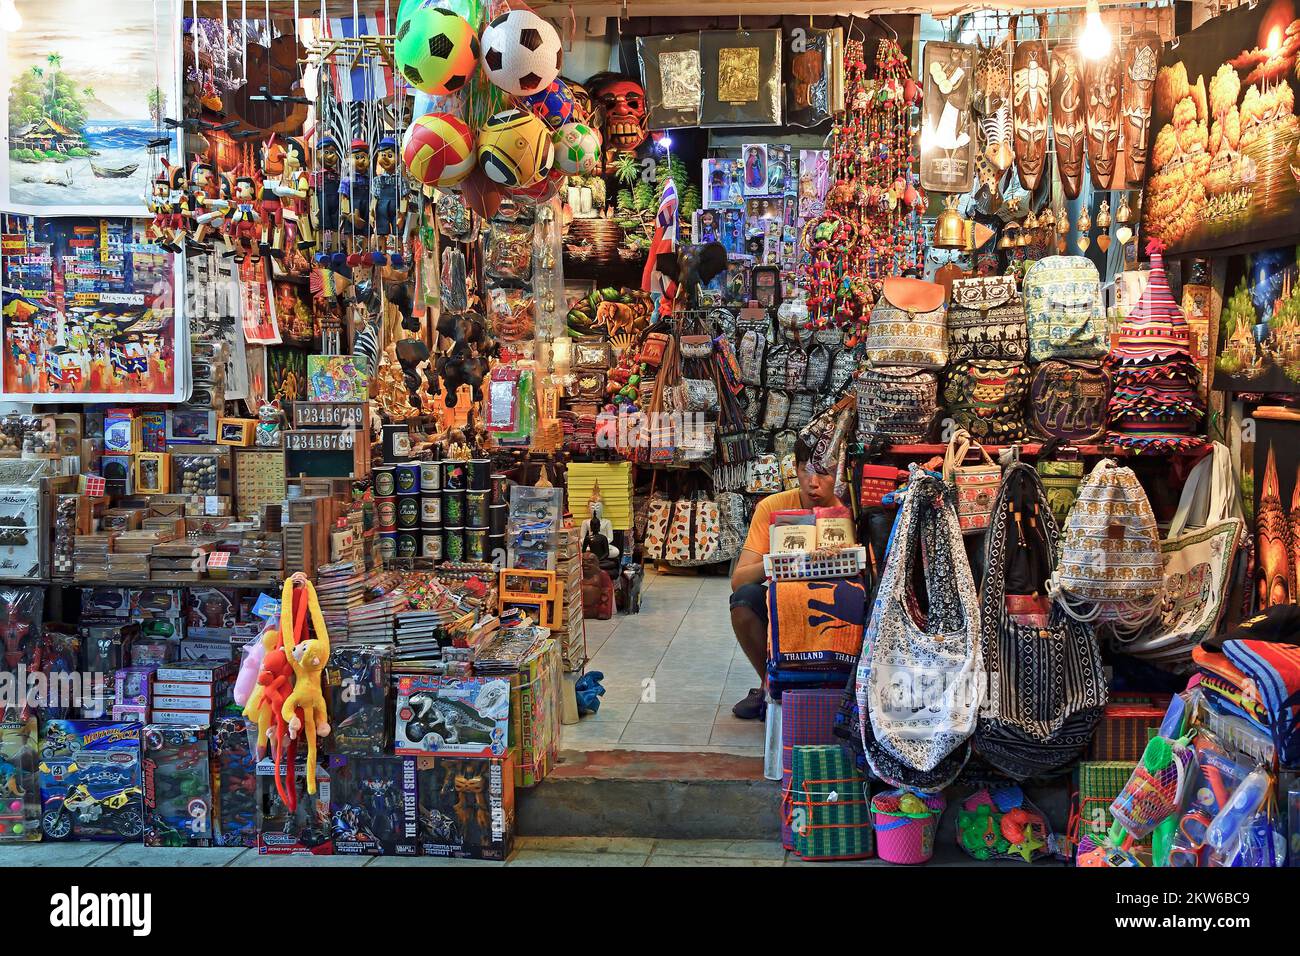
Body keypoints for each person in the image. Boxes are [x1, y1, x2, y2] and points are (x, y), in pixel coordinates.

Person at [728, 438, 843, 719]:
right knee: (743, 601)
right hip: (785, 600)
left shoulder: (851, 510)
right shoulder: (773, 507)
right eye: (807, 470)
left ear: (840, 472)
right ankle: (771, 683)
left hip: (836, 604)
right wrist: (780, 561)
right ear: (795, 468)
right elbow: (739, 579)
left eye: (825, 472)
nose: (813, 482)